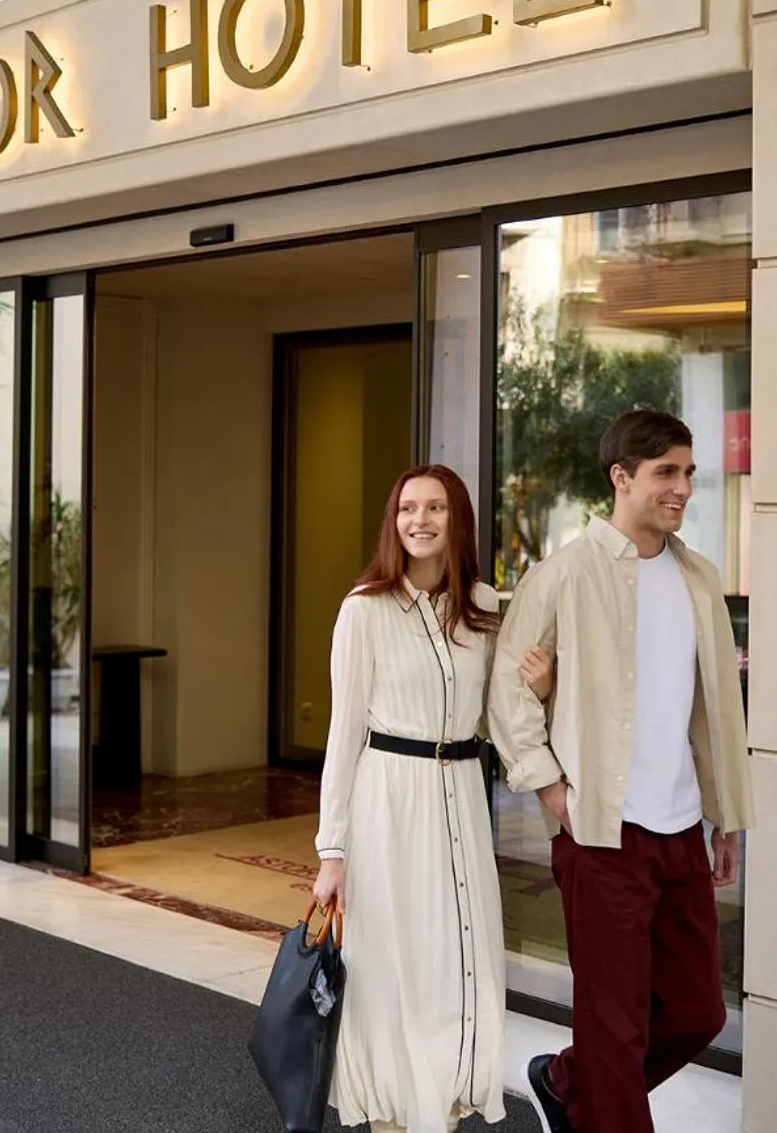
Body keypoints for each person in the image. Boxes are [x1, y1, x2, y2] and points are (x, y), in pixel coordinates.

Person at [489, 409, 754, 1133]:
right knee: (615, 1029)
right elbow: (507, 689)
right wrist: (552, 790)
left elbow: (713, 709)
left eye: (688, 473)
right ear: (622, 477)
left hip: (679, 831)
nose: (682, 488)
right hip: (601, 830)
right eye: (666, 472)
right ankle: (592, 1089)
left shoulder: (699, 578)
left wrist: (724, 814)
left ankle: (566, 1081)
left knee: (697, 1009)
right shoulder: (565, 574)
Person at [311, 464, 549, 1133]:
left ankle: (439, 1105)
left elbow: (503, 713)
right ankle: (392, 1111)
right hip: (387, 800)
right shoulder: (364, 609)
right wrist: (332, 850)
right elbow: (344, 732)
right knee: (390, 959)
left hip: (462, 797)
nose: (419, 519)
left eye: (435, 507)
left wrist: (545, 682)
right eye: (408, 507)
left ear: (457, 519)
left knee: (458, 955)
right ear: (394, 520)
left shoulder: (484, 607)